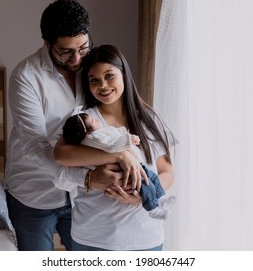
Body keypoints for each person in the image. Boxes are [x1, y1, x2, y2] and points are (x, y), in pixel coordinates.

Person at [4, 0, 144, 251]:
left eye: (83, 47)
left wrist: (123, 151)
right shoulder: (25, 77)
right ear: (47, 43)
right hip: (34, 194)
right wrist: (87, 178)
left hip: (85, 198)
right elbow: (35, 146)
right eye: (66, 51)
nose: (76, 58)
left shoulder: (93, 69)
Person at [54, 44, 178, 251]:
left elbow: (167, 171)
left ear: (123, 75)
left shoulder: (149, 119)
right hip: (93, 238)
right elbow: (61, 155)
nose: (103, 85)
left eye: (109, 76)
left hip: (145, 238)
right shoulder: (84, 122)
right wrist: (118, 156)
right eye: (94, 80)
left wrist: (139, 198)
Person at [62, 110, 177, 220]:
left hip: (137, 165)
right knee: (146, 184)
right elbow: (111, 145)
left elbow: (167, 171)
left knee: (153, 179)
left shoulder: (148, 116)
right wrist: (129, 139)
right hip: (125, 170)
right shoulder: (95, 137)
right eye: (93, 121)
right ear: (87, 132)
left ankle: (160, 199)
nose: (96, 119)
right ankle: (153, 210)